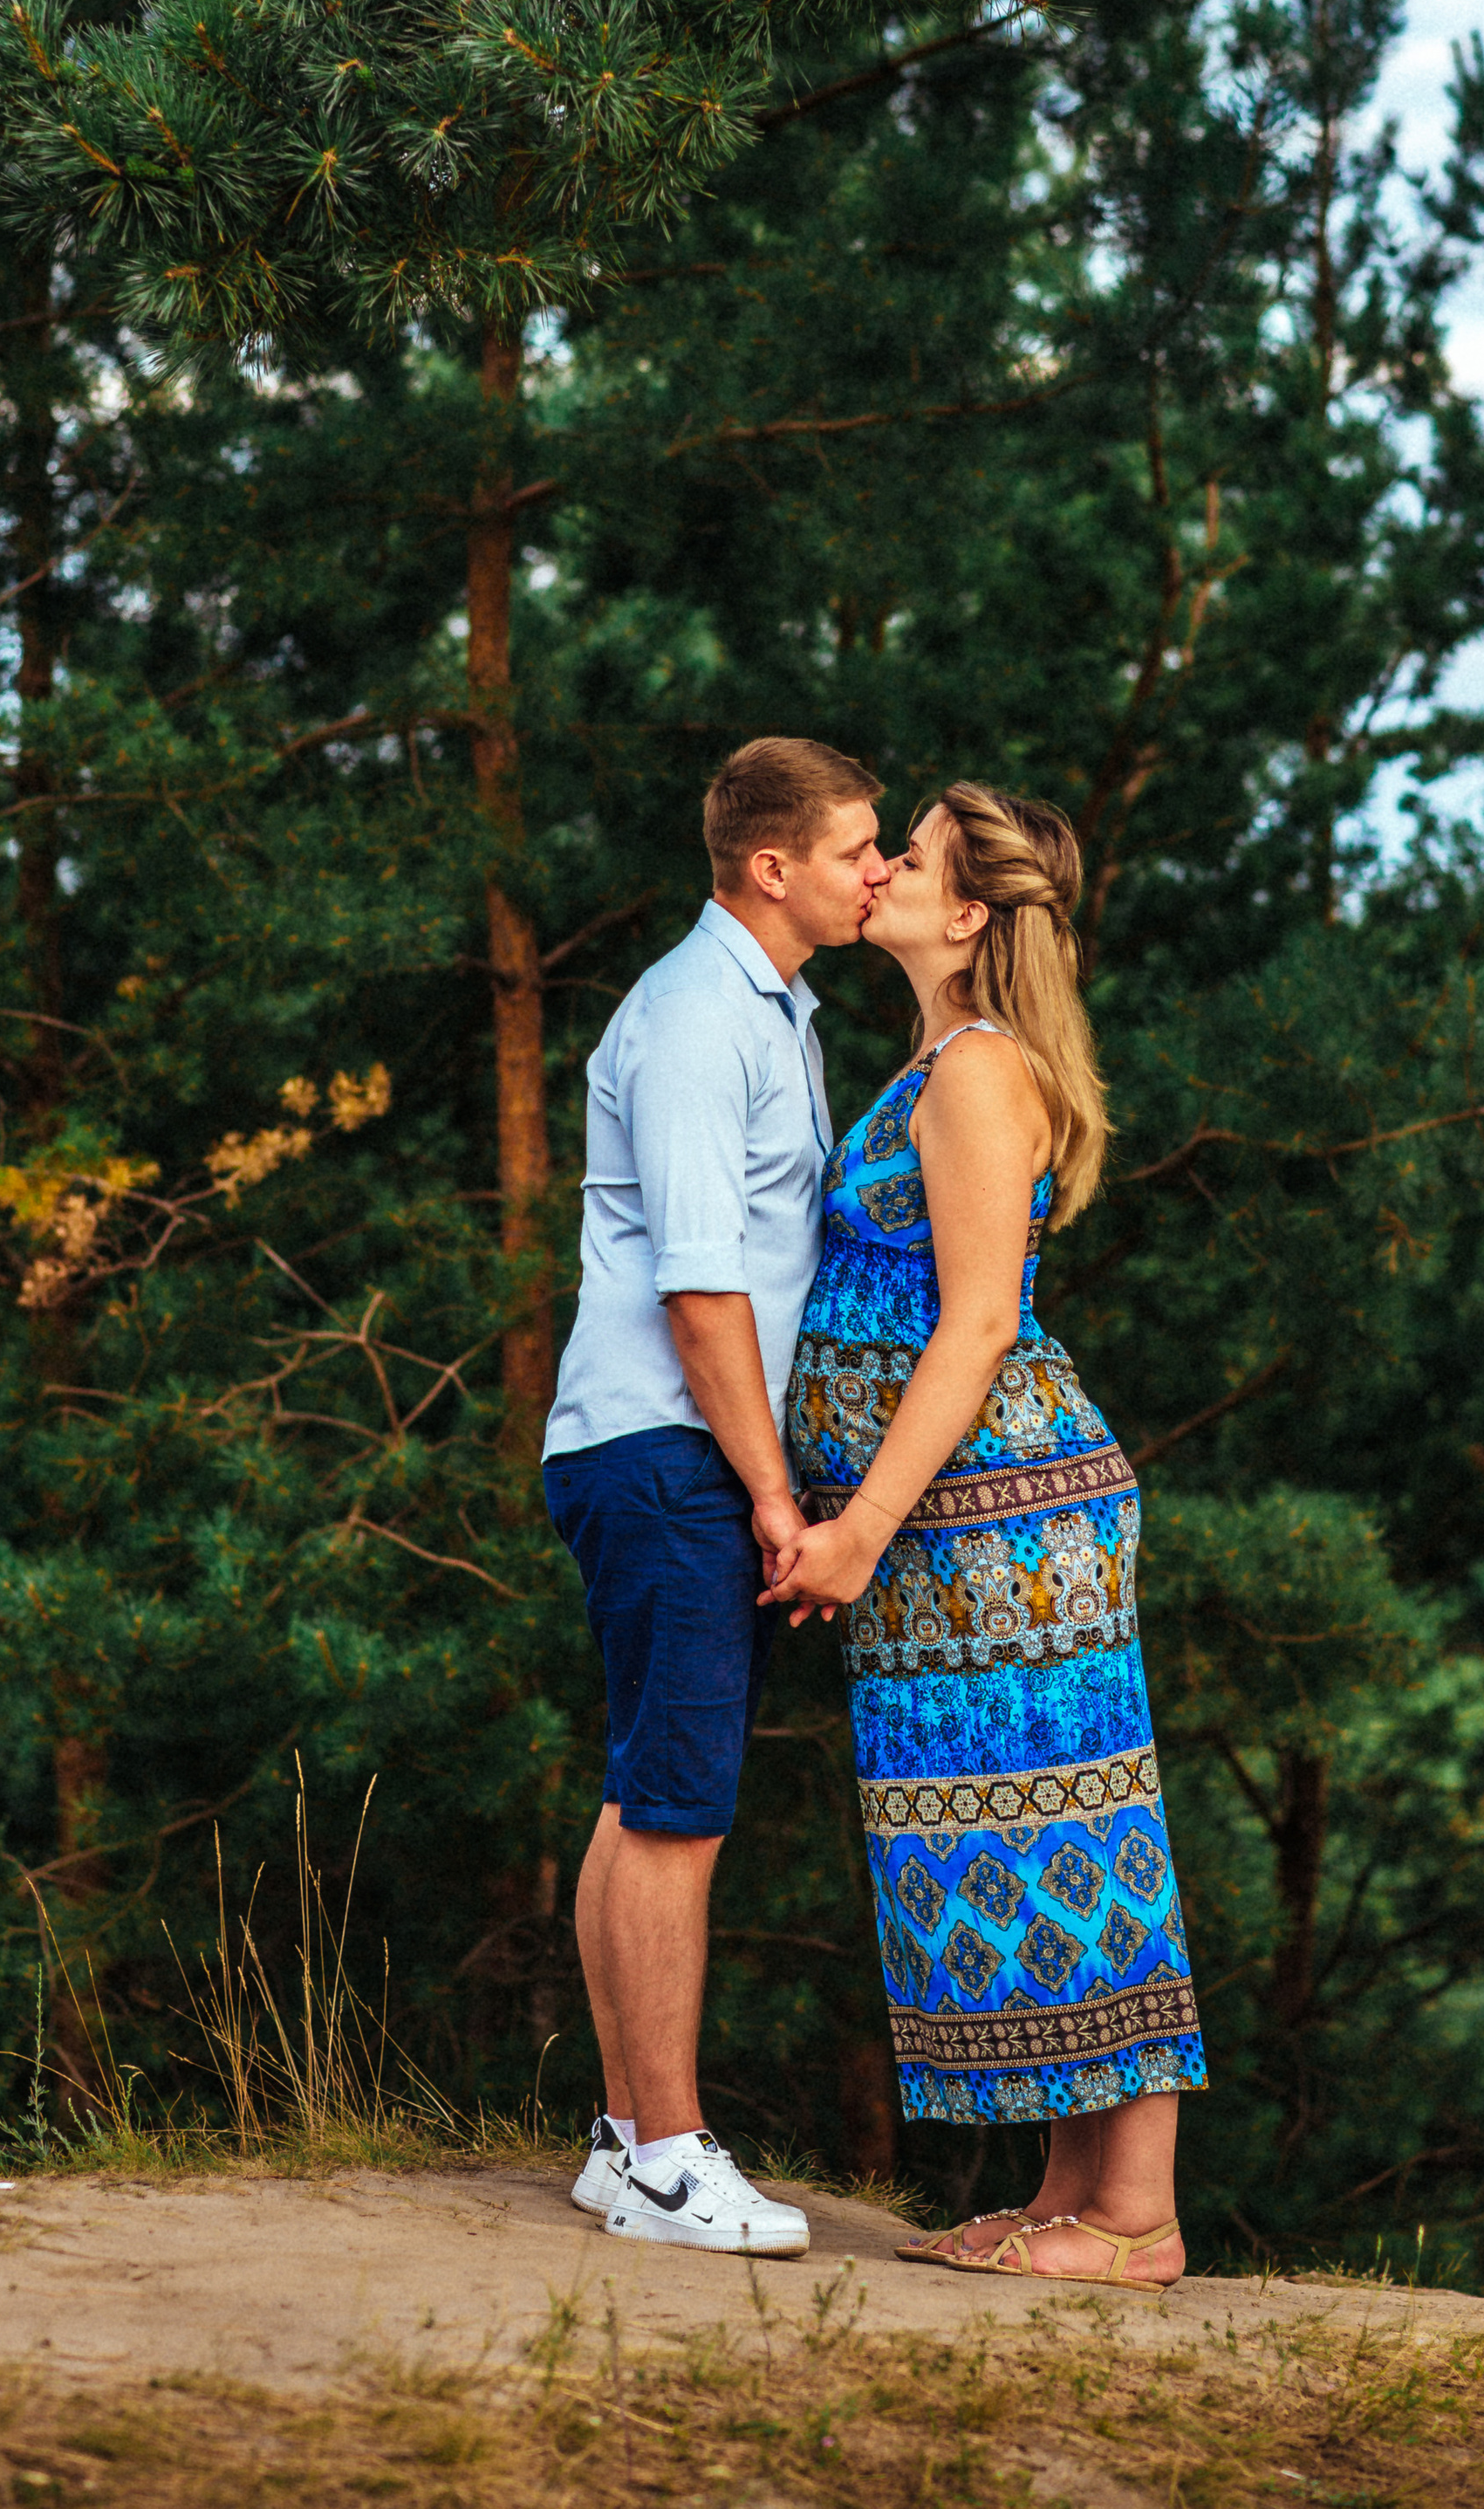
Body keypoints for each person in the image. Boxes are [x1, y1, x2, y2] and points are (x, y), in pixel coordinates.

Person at [767, 781, 1206, 2291]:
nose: (879, 867)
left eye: (914, 855)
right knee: (1002, 1826)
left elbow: (976, 1326)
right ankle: (1069, 2193)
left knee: (1076, 1817)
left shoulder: (975, 1075)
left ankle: (1138, 2213)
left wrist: (863, 1528)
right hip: (961, 1533)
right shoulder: (941, 1059)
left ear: (968, 914)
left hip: (1002, 1527)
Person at [543, 736, 890, 2256]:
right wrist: (769, 1490)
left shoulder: (766, 1008)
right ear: (774, 866)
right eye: (857, 848)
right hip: (672, 1448)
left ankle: (627, 2142)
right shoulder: (696, 1017)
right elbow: (701, 1290)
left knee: (647, 1792)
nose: (876, 871)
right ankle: (675, 2157)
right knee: (680, 1807)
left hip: (666, 1448)